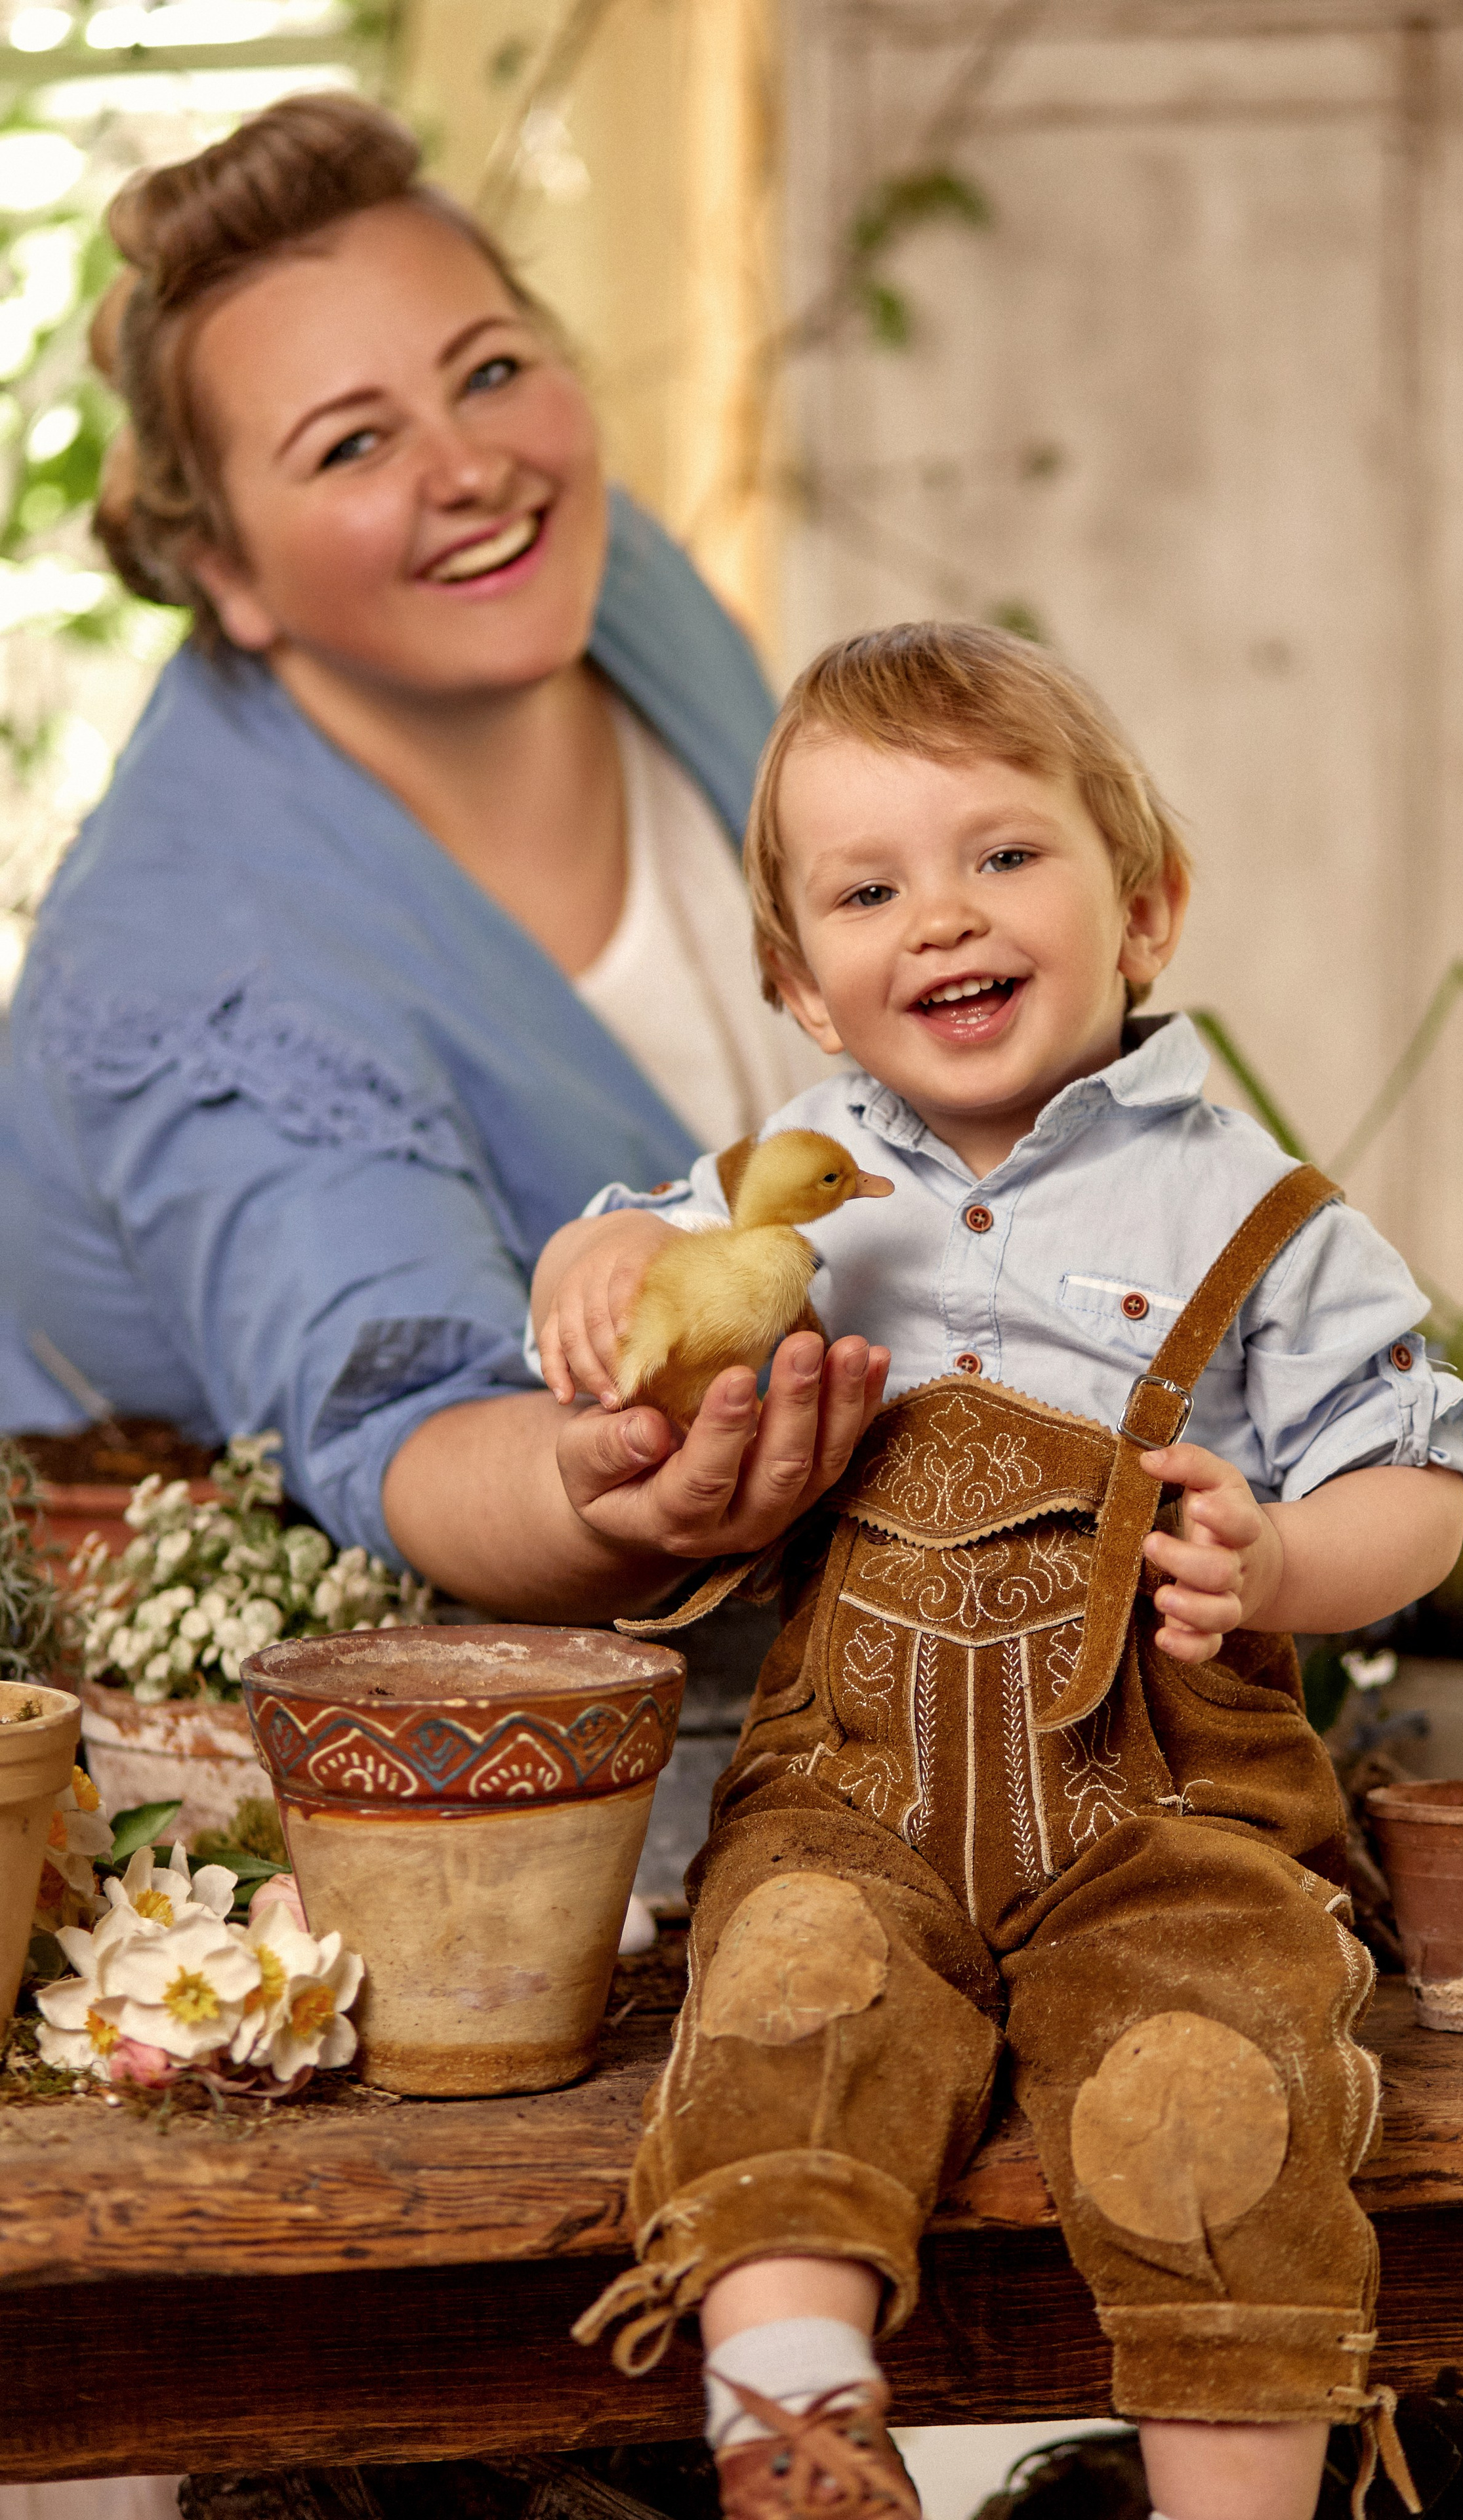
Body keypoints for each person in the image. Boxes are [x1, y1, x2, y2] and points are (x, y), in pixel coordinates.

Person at [531, 623, 1463, 2520]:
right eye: (868, 887)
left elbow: (1422, 1476)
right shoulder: (776, 1175)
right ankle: (803, 2433)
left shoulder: (1257, 1207)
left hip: (1169, 1810)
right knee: (788, 1990)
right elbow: (615, 1279)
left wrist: (1290, 1554)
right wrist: (582, 1278)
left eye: (1005, 856)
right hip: (854, 1788)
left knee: (1202, 2087)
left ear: (1144, 911)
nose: (940, 917)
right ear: (801, 985)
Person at [0, 91, 886, 1617]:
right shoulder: (201, 977)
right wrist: (600, 1489)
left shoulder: (618, 585)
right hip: (322, 1735)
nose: (472, 469)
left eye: (489, 371)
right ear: (226, 572)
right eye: (352, 444)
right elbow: (389, 1424)